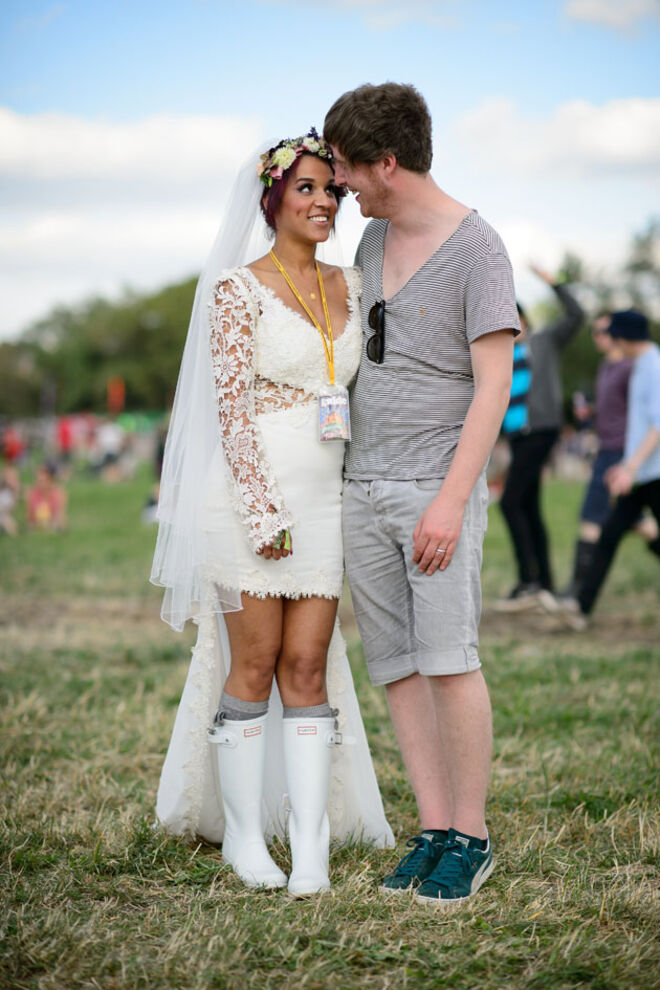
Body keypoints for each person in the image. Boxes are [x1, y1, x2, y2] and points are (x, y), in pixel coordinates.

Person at [151, 129, 393, 897]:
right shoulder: (235, 289)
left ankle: (311, 847)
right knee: (251, 665)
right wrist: (258, 507)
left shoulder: (353, 285)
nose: (324, 202)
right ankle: (246, 841)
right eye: (307, 190)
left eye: (332, 191)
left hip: (326, 499)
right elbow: (229, 411)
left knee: (307, 666)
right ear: (273, 199)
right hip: (249, 501)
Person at [323, 84, 519, 906]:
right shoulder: (370, 238)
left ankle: (471, 839)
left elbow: (493, 389)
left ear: (388, 163)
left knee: (448, 662)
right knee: (398, 668)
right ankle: (433, 828)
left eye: (346, 170)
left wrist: (449, 499)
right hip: (360, 486)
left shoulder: (480, 250)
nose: (341, 186)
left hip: (431, 489)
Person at [551, 309, 660, 627]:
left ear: (625, 336)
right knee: (609, 535)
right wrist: (627, 466)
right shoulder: (640, 364)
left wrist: (629, 467)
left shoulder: (652, 366)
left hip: (652, 473)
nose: (609, 339)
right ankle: (581, 608)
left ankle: (580, 606)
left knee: (613, 534)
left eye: (613, 334)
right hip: (641, 472)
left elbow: (657, 425)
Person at [494, 267, 584, 610]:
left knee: (510, 501)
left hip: (541, 431)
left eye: (513, 317)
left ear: (524, 319)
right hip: (518, 437)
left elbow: (577, 315)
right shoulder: (500, 353)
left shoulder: (544, 342)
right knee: (529, 507)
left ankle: (529, 581)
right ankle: (543, 583)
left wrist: (554, 283)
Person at [26, 462, 68, 531]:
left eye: (43, 481)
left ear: (50, 480)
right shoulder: (32, 494)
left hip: (53, 526)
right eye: (38, 480)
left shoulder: (58, 494)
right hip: (37, 527)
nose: (39, 483)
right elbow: (29, 519)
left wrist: (51, 525)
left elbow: (61, 517)